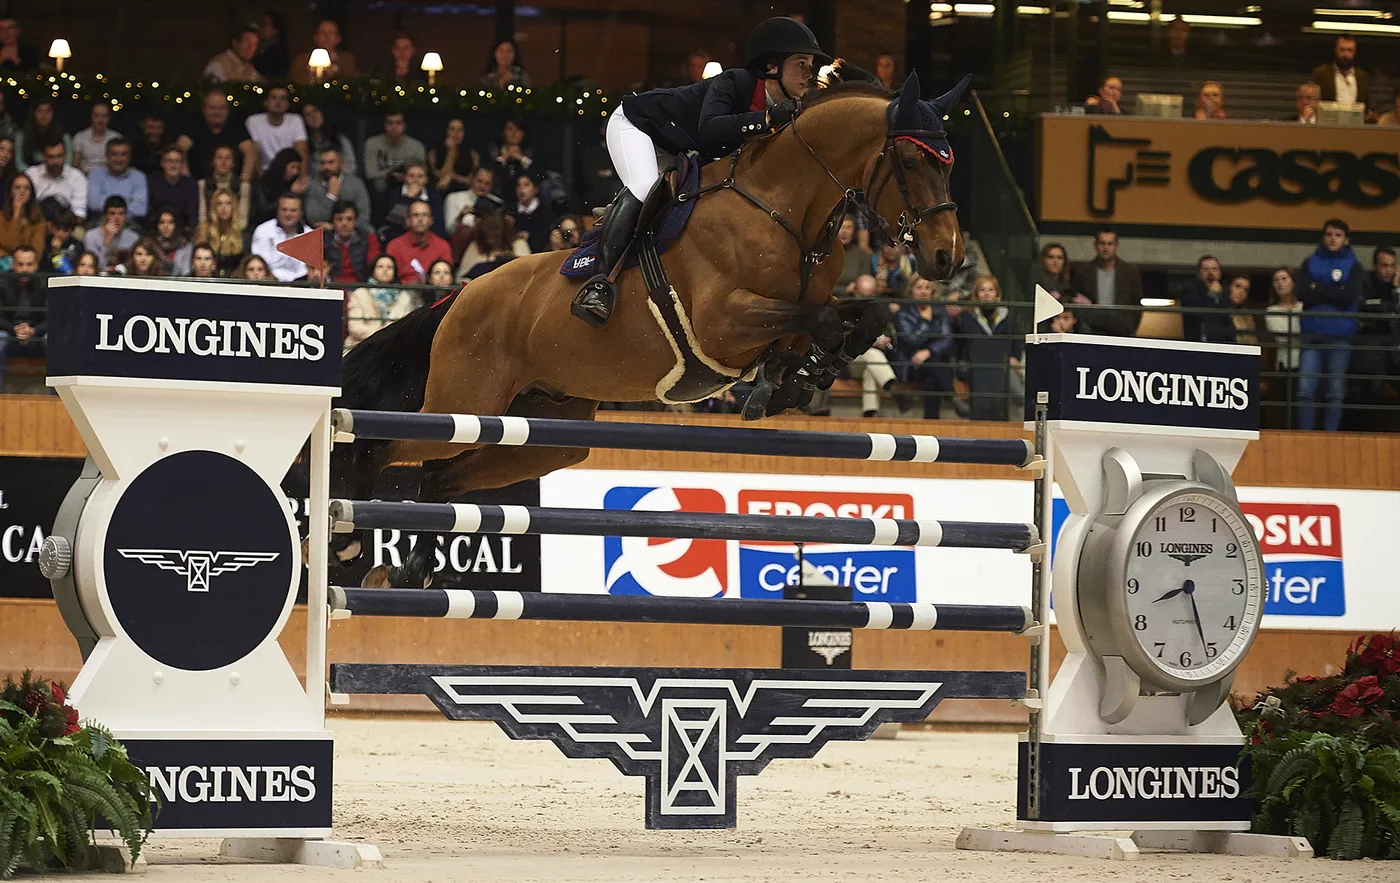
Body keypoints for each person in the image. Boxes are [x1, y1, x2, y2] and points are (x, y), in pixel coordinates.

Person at [573, 16, 829, 327]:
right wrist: (766, 118)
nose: (809, 73)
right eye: (801, 63)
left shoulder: (787, 108)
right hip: (638, 126)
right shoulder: (735, 82)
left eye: (811, 64)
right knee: (643, 186)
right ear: (773, 65)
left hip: (680, 149)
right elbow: (710, 129)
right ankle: (599, 286)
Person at [1296, 219, 1363, 431]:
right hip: (1311, 337)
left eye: (1338, 235)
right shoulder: (1309, 263)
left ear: (1346, 239)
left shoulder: (1355, 266)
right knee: (1305, 390)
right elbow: (1302, 293)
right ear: (1323, 237)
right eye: (1329, 234)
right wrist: (1335, 290)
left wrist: (1319, 288)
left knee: (1335, 392)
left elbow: (1349, 297)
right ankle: (1304, 437)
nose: (1332, 238)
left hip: (1340, 338)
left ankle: (1330, 438)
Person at [955, 275, 1023, 422]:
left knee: (1011, 379)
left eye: (991, 290)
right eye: (982, 290)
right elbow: (959, 346)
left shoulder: (1008, 318)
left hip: (1002, 364)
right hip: (971, 365)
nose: (987, 294)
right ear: (976, 294)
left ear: (997, 294)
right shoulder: (966, 318)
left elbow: (1016, 343)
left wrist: (1015, 357)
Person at [895, 274, 956, 419]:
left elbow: (947, 339)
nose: (923, 291)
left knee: (932, 379)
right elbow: (911, 340)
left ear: (932, 292)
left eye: (927, 288)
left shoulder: (940, 311)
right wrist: (926, 321)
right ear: (911, 291)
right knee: (934, 367)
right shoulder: (903, 314)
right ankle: (952, 397)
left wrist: (929, 351)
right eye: (919, 288)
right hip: (912, 363)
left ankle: (931, 422)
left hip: (934, 362)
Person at [1068, 228, 1142, 336]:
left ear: (1116, 246)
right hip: (1091, 329)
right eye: (1102, 243)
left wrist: (1130, 330)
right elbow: (1076, 302)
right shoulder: (1083, 271)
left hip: (1122, 329)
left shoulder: (1130, 272)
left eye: (1110, 244)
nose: (1106, 247)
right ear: (1096, 245)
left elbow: (1137, 306)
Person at [177, 92, 258, 187]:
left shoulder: (235, 126)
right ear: (204, 109)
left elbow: (250, 151)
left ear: (227, 110)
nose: (217, 112)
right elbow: (180, 148)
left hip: (231, 186)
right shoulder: (194, 124)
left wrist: (244, 180)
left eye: (221, 108)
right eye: (212, 108)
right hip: (198, 184)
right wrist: (186, 179)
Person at [346, 255, 418, 347]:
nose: (385, 270)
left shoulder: (405, 296)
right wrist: (382, 332)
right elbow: (355, 328)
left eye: (389, 267)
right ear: (373, 271)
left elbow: (408, 328)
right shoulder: (360, 294)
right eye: (380, 266)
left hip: (394, 346)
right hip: (362, 345)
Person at [0, 245, 45, 390]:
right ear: (13, 265)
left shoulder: (45, 283)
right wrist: (13, 329)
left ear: (36, 265)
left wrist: (33, 330)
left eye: (29, 264)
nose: (24, 269)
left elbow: (52, 318)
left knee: (53, 341)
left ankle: (57, 396)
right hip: (9, 334)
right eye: (20, 264)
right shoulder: (2, 282)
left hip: (36, 336)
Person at [1264, 267, 1303, 429]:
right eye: (1276, 280)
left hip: (1306, 363)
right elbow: (1284, 338)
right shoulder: (1271, 311)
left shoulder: (1304, 307)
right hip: (1285, 365)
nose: (1280, 283)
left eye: (1284, 279)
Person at [246, 87, 309, 177]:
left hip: (290, 173)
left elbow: (302, 153)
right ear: (266, 102)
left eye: (283, 98)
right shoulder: (254, 121)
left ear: (288, 104)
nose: (278, 102)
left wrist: (302, 179)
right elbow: (254, 153)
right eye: (274, 97)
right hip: (265, 172)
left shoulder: (295, 120)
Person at [363, 112, 427, 199]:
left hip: (409, 182)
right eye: (390, 123)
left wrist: (406, 176)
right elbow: (370, 173)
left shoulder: (416, 146)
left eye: (398, 123)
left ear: (404, 125)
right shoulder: (372, 143)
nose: (394, 127)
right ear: (385, 126)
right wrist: (390, 174)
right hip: (382, 186)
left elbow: (421, 173)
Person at [250, 193, 313, 282]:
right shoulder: (263, 230)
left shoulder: (311, 235)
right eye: (284, 209)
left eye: (293, 210)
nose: (288, 214)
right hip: (269, 282)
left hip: (301, 284)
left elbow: (309, 268)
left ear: (301, 213)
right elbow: (259, 263)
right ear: (277, 211)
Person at [385, 201, 451, 283]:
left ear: (431, 220)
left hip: (433, 291)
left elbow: (446, 278)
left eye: (425, 215)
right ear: (408, 220)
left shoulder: (442, 246)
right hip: (402, 291)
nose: (420, 219)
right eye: (416, 215)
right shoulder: (394, 245)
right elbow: (389, 277)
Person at [306, 145, 371, 228]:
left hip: (353, 234)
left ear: (341, 163)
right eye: (323, 163)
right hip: (322, 234)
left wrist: (336, 229)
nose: (326, 167)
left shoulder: (355, 183)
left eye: (331, 162)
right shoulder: (313, 186)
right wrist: (331, 196)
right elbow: (313, 219)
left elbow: (364, 216)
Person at [87, 139, 148, 224]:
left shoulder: (139, 177)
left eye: (123, 154)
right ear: (107, 156)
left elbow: (141, 209)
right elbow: (93, 204)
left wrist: (108, 203)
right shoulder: (95, 175)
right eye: (114, 154)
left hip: (129, 224)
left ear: (129, 157)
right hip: (100, 223)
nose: (119, 159)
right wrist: (126, 201)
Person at [377, 162, 441, 241]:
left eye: (420, 176)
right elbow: (393, 224)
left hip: (428, 239)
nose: (415, 180)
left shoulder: (434, 196)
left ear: (426, 179)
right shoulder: (393, 194)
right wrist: (408, 198)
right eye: (411, 176)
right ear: (405, 178)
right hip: (398, 239)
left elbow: (438, 225)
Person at [25, 141, 87, 222]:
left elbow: (79, 213)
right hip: (35, 221)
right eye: (51, 157)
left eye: (59, 156)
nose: (55, 161)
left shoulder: (77, 177)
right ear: (43, 157)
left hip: (65, 223)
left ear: (65, 156)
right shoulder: (31, 174)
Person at [1180, 256, 1237, 343]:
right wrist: (1212, 295)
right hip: (1200, 344)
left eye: (1214, 269)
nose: (1211, 272)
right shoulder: (1190, 293)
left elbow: (1228, 318)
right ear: (1199, 273)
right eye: (1206, 269)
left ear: (1219, 273)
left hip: (1225, 344)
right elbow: (1202, 315)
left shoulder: (1225, 295)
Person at [196, 144, 252, 231]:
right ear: (213, 161)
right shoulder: (203, 184)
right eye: (219, 158)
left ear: (233, 163)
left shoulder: (243, 186)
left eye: (228, 158)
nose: (223, 161)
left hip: (236, 231)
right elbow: (202, 218)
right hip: (209, 230)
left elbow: (242, 220)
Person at [324, 200, 381, 285]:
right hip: (331, 286)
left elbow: (373, 268)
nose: (344, 223)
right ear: (333, 221)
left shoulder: (368, 238)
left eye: (349, 219)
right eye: (339, 219)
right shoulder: (323, 239)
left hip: (361, 286)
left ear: (355, 221)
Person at [195, 186, 247, 276]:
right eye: (219, 203)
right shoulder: (204, 231)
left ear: (233, 207)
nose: (224, 207)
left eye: (228, 203)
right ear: (214, 207)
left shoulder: (241, 234)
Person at [458, 212, 526, 279]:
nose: (491, 240)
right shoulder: (475, 247)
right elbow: (462, 278)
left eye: (496, 236)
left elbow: (527, 272)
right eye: (487, 236)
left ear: (505, 235)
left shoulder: (519, 245)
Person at [1310, 33, 1370, 110]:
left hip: (1355, 121)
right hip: (1327, 120)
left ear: (1355, 52)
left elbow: (1367, 104)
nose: (1346, 54)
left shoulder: (1362, 76)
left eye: (1350, 50)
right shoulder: (1320, 74)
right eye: (1342, 50)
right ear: (1335, 50)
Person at [147, 146, 199, 231]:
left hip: (182, 233)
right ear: (162, 163)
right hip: (155, 231)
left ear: (182, 164)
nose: (173, 165)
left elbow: (192, 217)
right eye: (169, 161)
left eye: (177, 161)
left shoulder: (190, 184)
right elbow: (149, 215)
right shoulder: (152, 182)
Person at [81, 196, 140, 268]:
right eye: (112, 213)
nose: (117, 218)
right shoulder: (90, 236)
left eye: (121, 213)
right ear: (105, 216)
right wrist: (107, 239)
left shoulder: (134, 237)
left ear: (126, 216)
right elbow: (97, 267)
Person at [0, 173, 45, 265]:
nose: (22, 191)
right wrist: (16, 215)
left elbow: (37, 251)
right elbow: (11, 244)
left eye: (26, 188)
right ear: (10, 192)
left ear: (31, 193)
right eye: (17, 188)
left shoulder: (38, 220)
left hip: (28, 265)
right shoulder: (1, 217)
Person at [302, 103, 358, 177]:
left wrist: (336, 178)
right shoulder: (305, 143)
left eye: (315, 111)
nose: (313, 116)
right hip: (316, 185)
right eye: (307, 114)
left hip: (342, 182)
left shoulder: (340, 139)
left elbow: (351, 166)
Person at [292, 19, 357, 82]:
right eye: (322, 32)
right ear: (315, 37)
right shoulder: (302, 59)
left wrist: (334, 75)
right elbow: (295, 81)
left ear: (338, 38)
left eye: (331, 33)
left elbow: (350, 81)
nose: (327, 36)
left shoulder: (347, 59)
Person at [15, 100, 68, 170]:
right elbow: (19, 164)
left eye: (48, 111)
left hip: (57, 176)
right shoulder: (22, 137)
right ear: (33, 113)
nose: (44, 114)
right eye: (39, 110)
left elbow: (67, 164)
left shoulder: (64, 137)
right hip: (28, 177)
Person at [429, 119, 478, 193]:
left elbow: (472, 181)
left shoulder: (473, 154)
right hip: (440, 190)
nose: (456, 133)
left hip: (464, 191)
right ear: (446, 131)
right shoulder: (434, 153)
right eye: (452, 129)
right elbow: (440, 177)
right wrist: (451, 152)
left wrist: (452, 176)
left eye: (460, 130)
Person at [72, 103, 121, 176]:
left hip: (110, 179)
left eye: (104, 116)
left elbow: (120, 164)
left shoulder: (116, 137)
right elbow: (75, 165)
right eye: (97, 115)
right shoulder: (80, 137)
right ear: (91, 117)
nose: (100, 120)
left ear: (109, 118)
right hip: (85, 179)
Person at [512, 174, 555, 254]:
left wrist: (529, 237)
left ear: (536, 189)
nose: (521, 189)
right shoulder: (510, 211)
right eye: (518, 185)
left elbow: (545, 239)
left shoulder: (545, 212)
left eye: (526, 185)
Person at [831, 215, 872, 297]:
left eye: (848, 227)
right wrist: (844, 290)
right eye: (841, 227)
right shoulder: (826, 254)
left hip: (854, 299)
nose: (844, 231)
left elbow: (865, 283)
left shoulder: (862, 255)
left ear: (854, 232)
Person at [151, 210, 193, 276]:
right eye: (162, 222)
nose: (166, 226)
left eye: (170, 222)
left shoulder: (185, 246)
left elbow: (186, 272)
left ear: (176, 224)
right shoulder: (151, 245)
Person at [253, 10, 291, 80]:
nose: (260, 28)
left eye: (265, 25)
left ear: (276, 29)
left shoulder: (278, 53)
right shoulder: (259, 48)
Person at [42, 210, 82, 274]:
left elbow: (70, 272)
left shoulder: (78, 246)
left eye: (65, 230)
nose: (60, 233)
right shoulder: (45, 243)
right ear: (51, 227)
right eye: (57, 229)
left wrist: (57, 254)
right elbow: (43, 269)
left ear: (72, 230)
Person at [1227, 274, 1257, 345]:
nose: (1241, 292)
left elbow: (1253, 343)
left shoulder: (1247, 315)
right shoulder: (1218, 309)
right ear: (1229, 287)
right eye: (1238, 286)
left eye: (1245, 290)